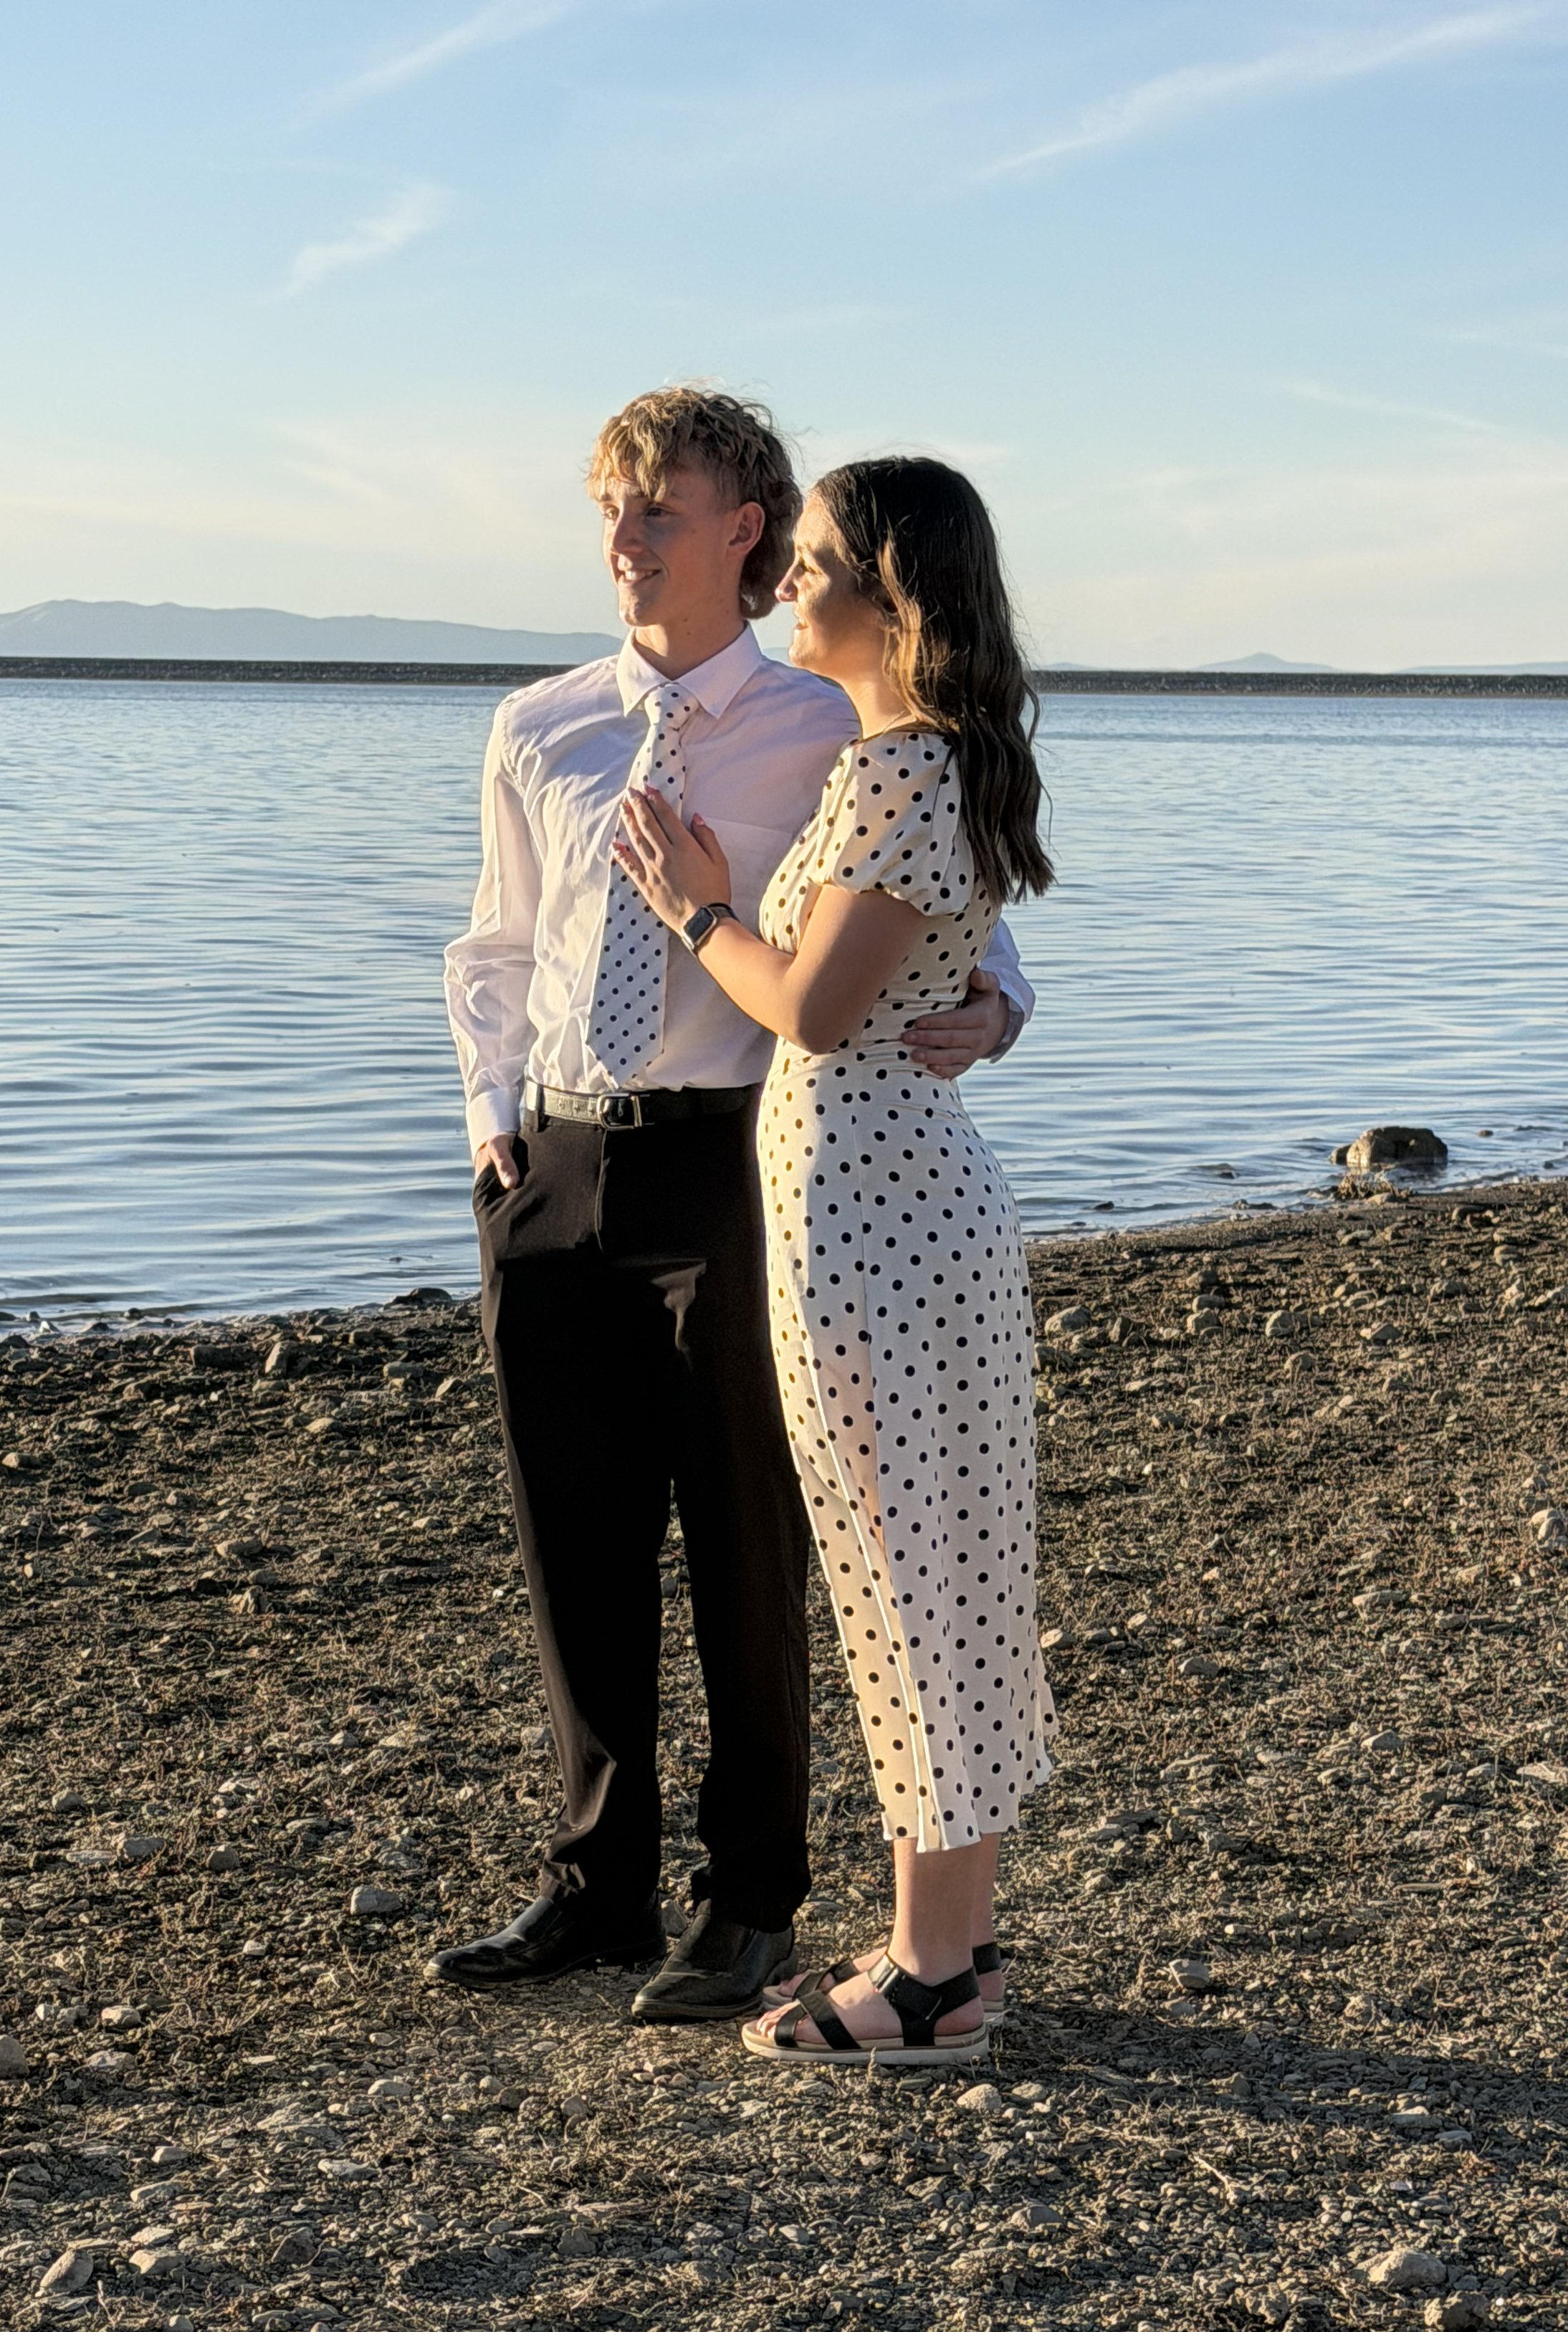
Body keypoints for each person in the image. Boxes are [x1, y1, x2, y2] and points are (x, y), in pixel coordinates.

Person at [433, 390, 1035, 2022]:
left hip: (739, 1159)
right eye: (608, 510)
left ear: (744, 531)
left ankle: (750, 1900)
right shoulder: (539, 724)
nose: (621, 542)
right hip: (554, 1160)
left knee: (758, 1543)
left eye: (654, 510)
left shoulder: (841, 720)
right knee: (576, 1539)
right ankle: (593, 1882)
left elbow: (939, 912)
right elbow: (494, 946)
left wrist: (1003, 1004)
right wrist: (492, 1122)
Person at [611, 455, 1057, 2063]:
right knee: (914, 1565)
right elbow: (923, 967)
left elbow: (807, 1006)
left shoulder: (898, 773)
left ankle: (934, 1978)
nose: (783, 585)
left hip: (877, 1223)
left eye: (806, 564)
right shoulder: (915, 763)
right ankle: (942, 1945)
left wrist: (694, 904)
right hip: (875, 1209)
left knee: (911, 1568)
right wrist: (997, 1004)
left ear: (889, 595)